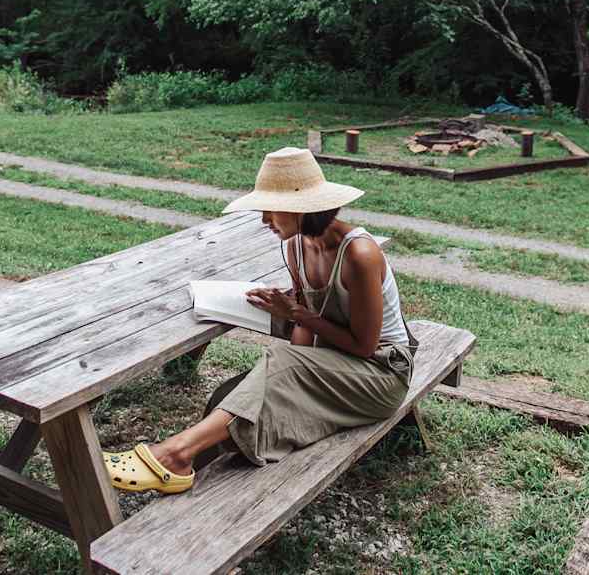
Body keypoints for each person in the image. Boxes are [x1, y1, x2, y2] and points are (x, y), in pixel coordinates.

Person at [102, 146, 416, 494]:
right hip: (335, 363)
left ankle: (172, 454)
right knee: (230, 393)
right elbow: (303, 340)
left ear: (300, 209)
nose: (265, 220)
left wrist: (295, 315)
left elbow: (364, 345)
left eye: (270, 210)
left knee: (279, 366)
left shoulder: (359, 253)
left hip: (381, 375)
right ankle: (186, 470)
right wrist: (295, 351)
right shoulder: (295, 246)